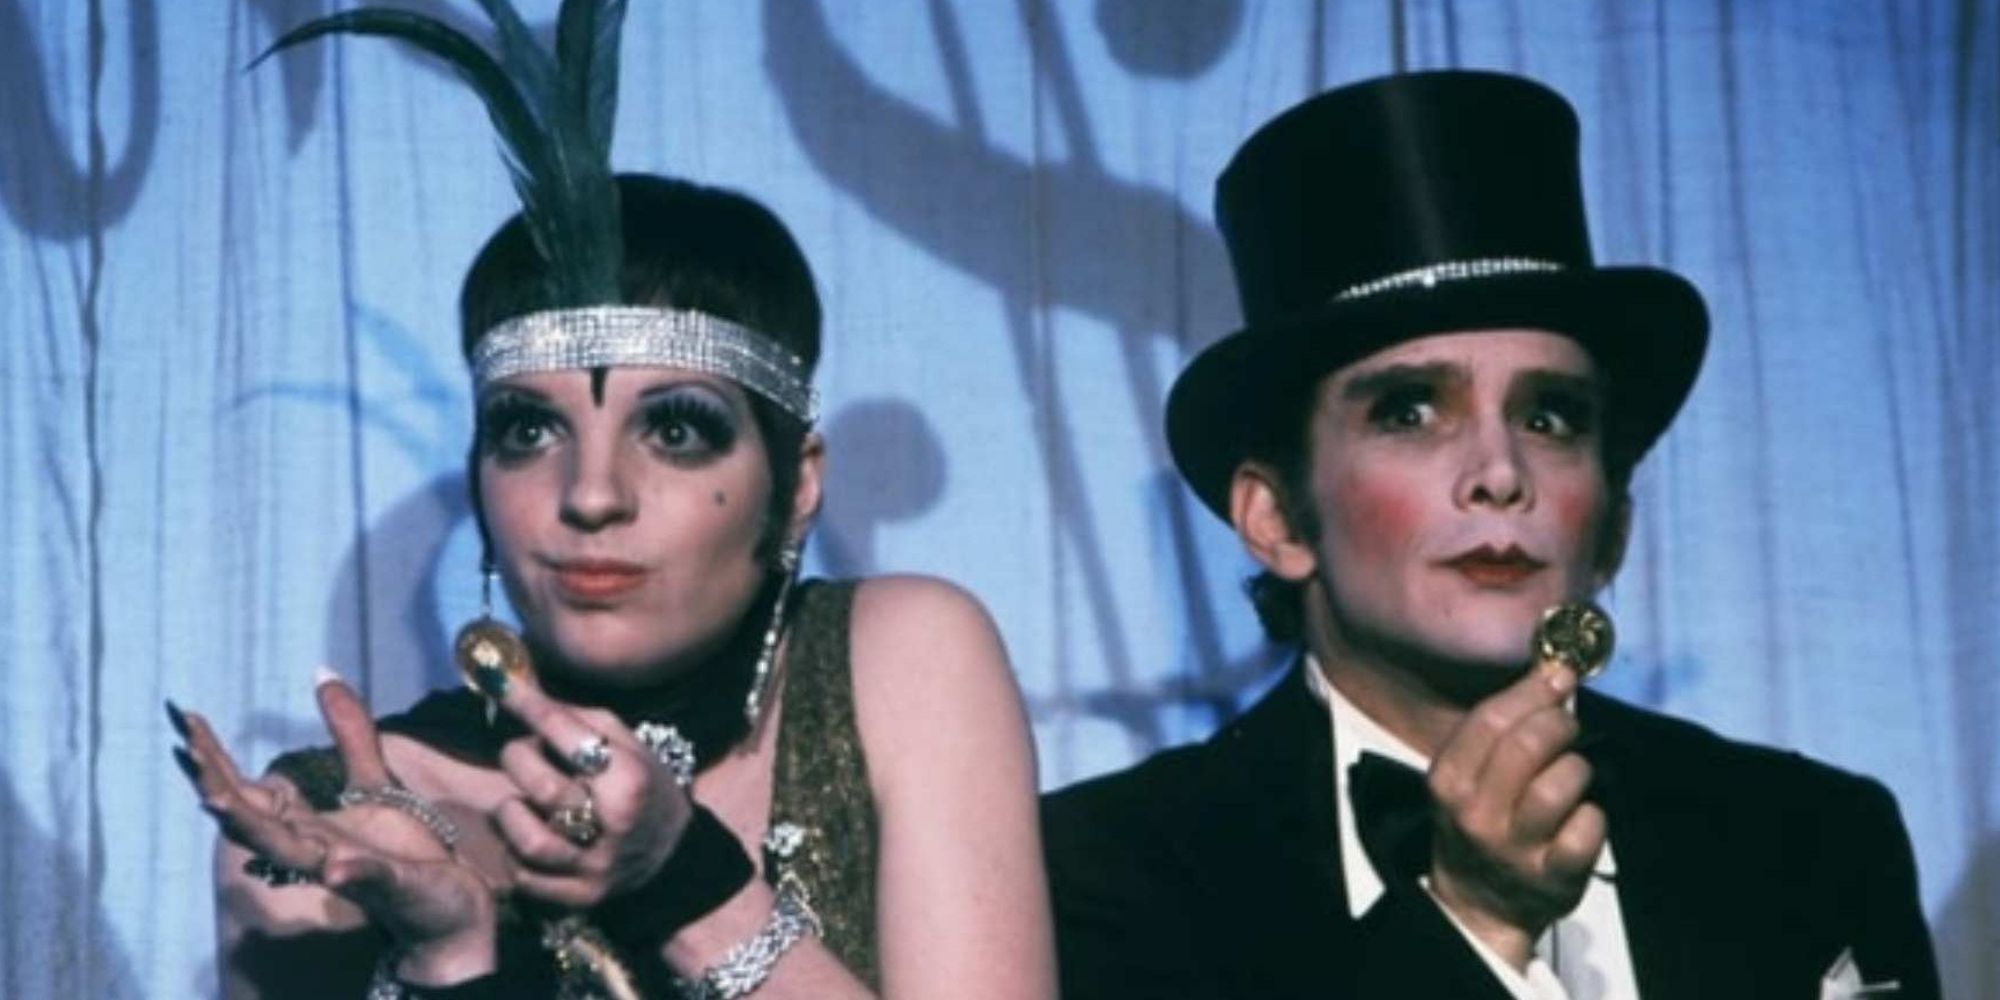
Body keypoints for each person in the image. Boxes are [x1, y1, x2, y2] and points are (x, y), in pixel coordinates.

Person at [170, 6, 1054, 999]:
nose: (589, 494)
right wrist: (448, 955)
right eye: (528, 430)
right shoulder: (317, 838)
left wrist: (683, 885)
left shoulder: (897, 660)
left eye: (675, 430)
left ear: (796, 480)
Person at [1040, 70, 1940, 999]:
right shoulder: (1105, 875)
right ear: (1275, 519)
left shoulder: (1815, 833)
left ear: (1614, 521)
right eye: (1409, 410)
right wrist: (1474, 920)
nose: (1501, 472)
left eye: (1551, 417)